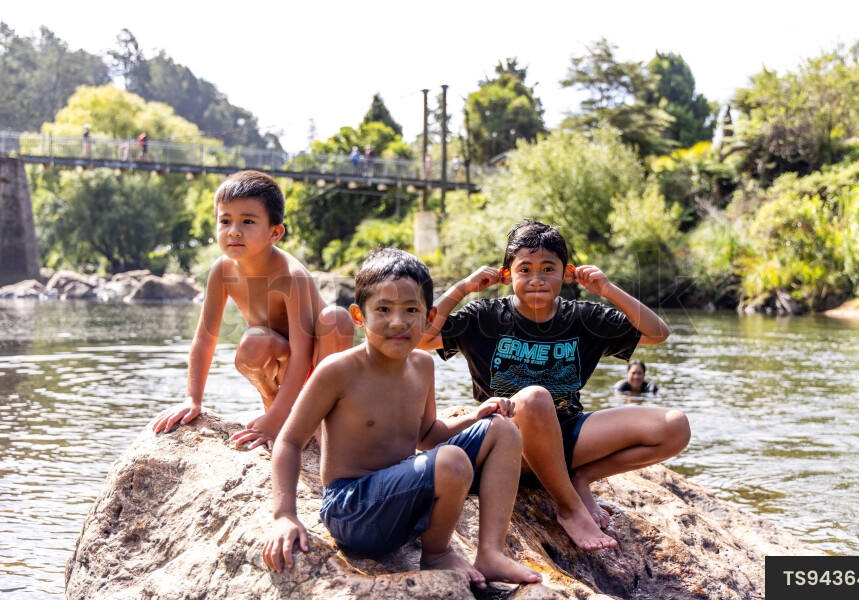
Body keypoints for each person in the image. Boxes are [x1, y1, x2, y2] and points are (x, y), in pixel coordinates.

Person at [263, 248, 542, 589]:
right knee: (451, 461)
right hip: (353, 512)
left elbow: (428, 434)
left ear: (429, 317)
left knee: (501, 429)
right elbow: (290, 440)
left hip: (404, 502)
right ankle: (437, 553)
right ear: (358, 316)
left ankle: (491, 553)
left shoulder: (422, 365)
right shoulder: (338, 371)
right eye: (383, 309)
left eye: (411, 310)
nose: (398, 322)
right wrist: (284, 515)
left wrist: (476, 416)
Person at [419, 220, 691, 551]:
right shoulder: (484, 317)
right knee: (533, 398)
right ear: (508, 275)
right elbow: (420, 339)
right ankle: (569, 506)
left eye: (549, 268)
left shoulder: (583, 318)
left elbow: (657, 333)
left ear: (566, 273)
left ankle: (579, 478)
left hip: (566, 437)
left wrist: (607, 289)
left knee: (675, 427)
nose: (537, 279)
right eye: (525, 269)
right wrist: (462, 288)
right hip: (504, 444)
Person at [151, 170, 354, 449]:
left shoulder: (291, 276)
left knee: (337, 318)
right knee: (252, 343)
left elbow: (304, 353)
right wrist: (192, 399)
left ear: (275, 233)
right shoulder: (221, 271)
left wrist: (277, 420)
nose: (234, 230)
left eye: (247, 221)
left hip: (318, 365)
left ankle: (313, 418)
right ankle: (275, 410)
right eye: (225, 221)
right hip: (283, 364)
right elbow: (204, 339)